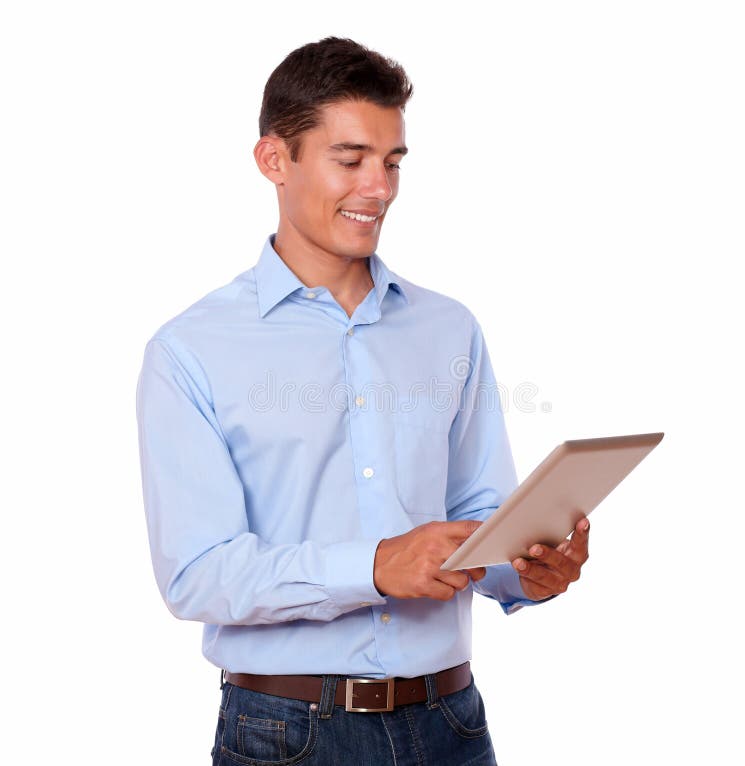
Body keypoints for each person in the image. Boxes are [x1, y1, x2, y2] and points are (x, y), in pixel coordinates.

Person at [135, 36, 590, 766]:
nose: (378, 187)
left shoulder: (449, 327)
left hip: (454, 725)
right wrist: (374, 566)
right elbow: (197, 574)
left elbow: (481, 516)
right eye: (350, 160)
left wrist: (531, 567)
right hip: (289, 734)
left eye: (393, 162)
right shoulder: (190, 350)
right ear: (273, 160)